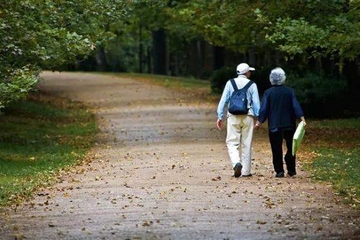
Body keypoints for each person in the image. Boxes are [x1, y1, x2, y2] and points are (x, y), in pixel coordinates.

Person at [255, 67, 306, 178]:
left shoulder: (268, 93)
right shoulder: (289, 92)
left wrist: (259, 121)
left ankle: (279, 171)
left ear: (271, 79)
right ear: (283, 78)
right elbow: (295, 105)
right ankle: (291, 169)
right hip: (289, 124)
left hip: (274, 125)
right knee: (291, 147)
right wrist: (301, 117)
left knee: (276, 148)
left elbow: (264, 109)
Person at [216, 63, 260, 178]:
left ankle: (236, 162)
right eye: (249, 71)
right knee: (246, 143)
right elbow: (256, 104)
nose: (250, 73)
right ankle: (246, 171)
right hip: (248, 116)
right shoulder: (252, 85)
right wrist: (258, 118)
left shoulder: (230, 83)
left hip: (233, 116)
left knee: (232, 142)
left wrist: (220, 116)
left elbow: (223, 101)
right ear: (246, 73)